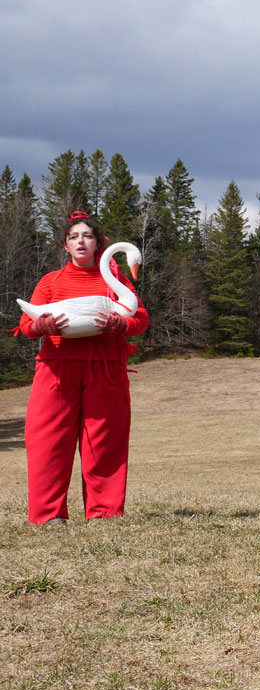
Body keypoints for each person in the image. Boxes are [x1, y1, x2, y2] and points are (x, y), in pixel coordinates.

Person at [19, 211, 149, 524]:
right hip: (57, 370)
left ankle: (104, 513)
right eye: (74, 236)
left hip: (105, 369)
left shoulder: (114, 283)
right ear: (65, 245)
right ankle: (49, 515)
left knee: (104, 440)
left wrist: (120, 323)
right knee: (48, 441)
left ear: (98, 244)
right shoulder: (51, 282)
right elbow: (26, 324)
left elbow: (140, 319)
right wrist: (44, 326)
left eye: (87, 236)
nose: (81, 241)